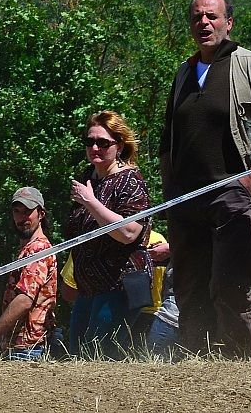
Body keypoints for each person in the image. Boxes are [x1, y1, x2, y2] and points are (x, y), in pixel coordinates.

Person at [159, 0, 251, 357]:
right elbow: (167, 139)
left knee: (231, 285)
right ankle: (197, 360)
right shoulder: (184, 72)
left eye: (212, 16)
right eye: (197, 17)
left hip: (233, 195)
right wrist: (170, 192)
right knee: (188, 286)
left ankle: (239, 363)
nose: (204, 23)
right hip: (185, 201)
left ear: (229, 22)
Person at [65, 110, 151, 358]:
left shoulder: (130, 181)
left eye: (103, 143)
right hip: (88, 287)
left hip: (120, 284)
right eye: (89, 141)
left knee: (97, 355)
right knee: (75, 355)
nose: (95, 148)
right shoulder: (88, 177)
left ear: (119, 145)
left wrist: (90, 202)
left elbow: (129, 232)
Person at [0, 187, 57, 360]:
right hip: (19, 347)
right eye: (17, 211)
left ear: (41, 214)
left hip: (28, 349)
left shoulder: (38, 249)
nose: (22, 217)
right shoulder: (27, 249)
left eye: (27, 212)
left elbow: (24, 300)